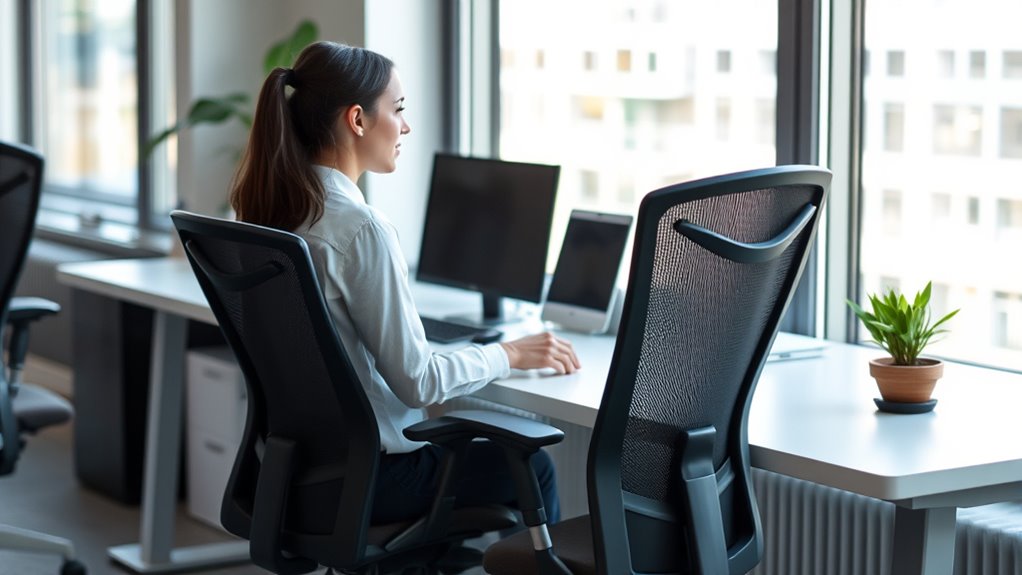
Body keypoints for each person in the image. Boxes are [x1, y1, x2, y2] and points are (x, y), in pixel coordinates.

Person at [228, 41, 580, 525]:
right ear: (357, 120)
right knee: (531, 465)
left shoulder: (275, 212)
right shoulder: (359, 228)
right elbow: (419, 382)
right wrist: (511, 354)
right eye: (397, 110)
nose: (406, 126)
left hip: (294, 478)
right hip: (373, 482)